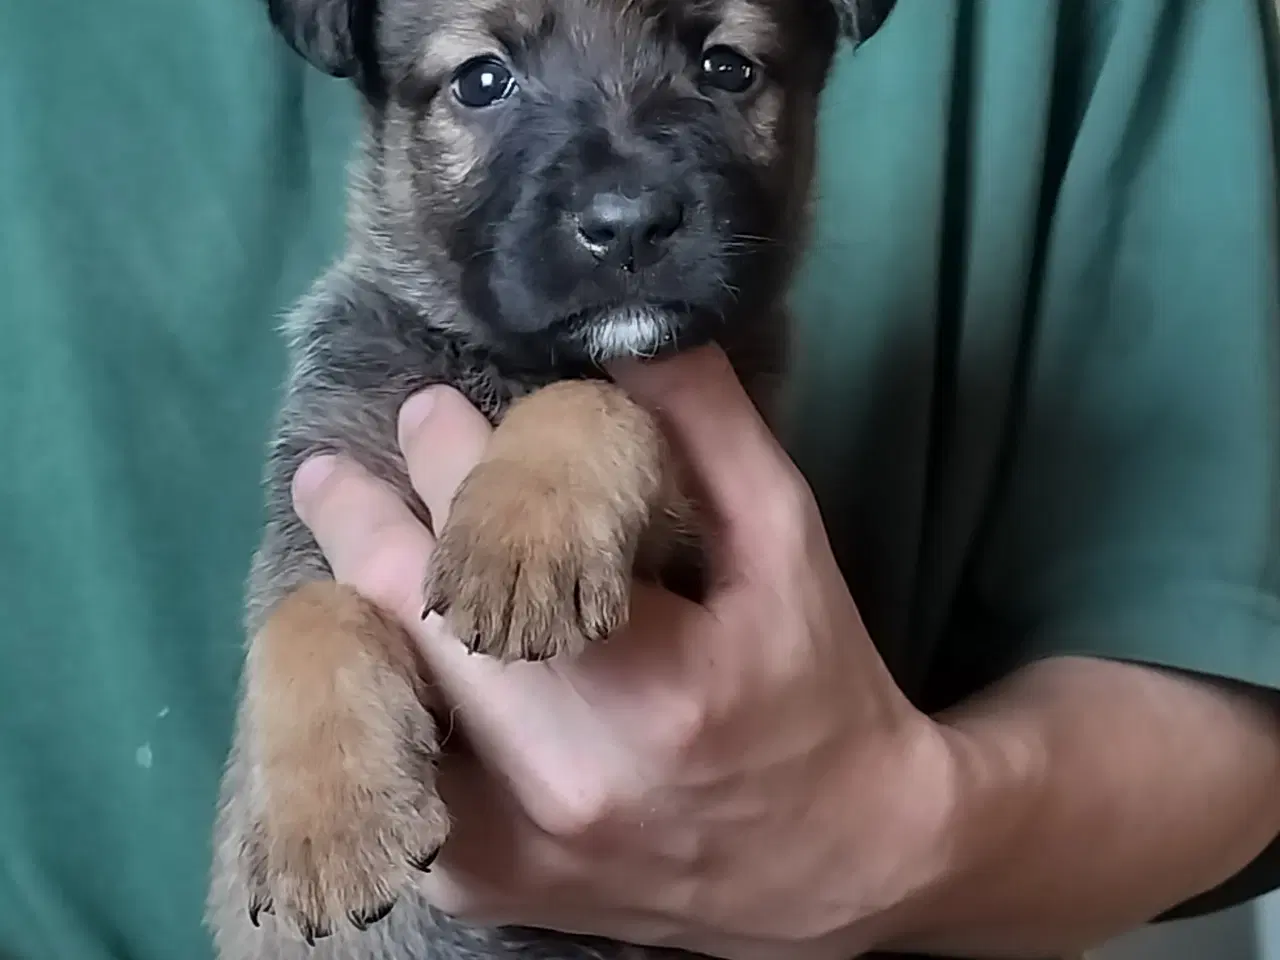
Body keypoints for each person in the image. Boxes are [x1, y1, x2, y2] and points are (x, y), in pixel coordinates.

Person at [2, 1, 1278, 959]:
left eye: (719, 65)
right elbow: (316, 581)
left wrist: (888, 835)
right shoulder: (364, 360)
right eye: (485, 78)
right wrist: (320, 673)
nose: (618, 195)